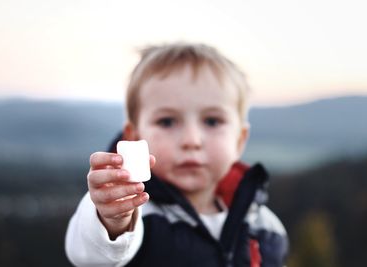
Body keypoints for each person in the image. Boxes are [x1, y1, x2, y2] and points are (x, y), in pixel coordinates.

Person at [65, 42, 289, 267]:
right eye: (167, 121)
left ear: (239, 140)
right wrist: (112, 219)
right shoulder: (139, 214)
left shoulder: (264, 227)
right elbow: (91, 257)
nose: (191, 140)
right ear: (134, 138)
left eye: (212, 121)